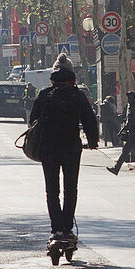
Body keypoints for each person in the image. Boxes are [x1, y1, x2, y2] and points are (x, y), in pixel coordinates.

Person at [29, 54, 98, 240]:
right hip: (71, 148)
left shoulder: (44, 95)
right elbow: (90, 121)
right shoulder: (78, 95)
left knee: (52, 190)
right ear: (73, 77)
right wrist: (93, 142)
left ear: (52, 77)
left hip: (48, 149)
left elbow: (32, 121)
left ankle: (56, 229)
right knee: (70, 189)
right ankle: (67, 228)